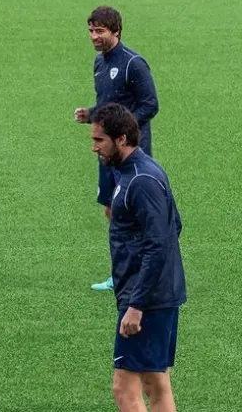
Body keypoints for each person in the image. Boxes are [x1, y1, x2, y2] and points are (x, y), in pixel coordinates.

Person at [89, 104, 185, 412]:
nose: (94, 148)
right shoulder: (133, 172)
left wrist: (137, 305)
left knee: (123, 388)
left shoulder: (141, 180)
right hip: (153, 293)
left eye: (99, 140)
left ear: (121, 139)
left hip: (147, 299)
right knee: (154, 382)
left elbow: (159, 244)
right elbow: (175, 225)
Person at [74, 6, 159, 291]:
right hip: (107, 151)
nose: (94, 36)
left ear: (116, 32)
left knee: (132, 210)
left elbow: (150, 104)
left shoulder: (133, 63)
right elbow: (110, 103)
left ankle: (145, 269)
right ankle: (122, 272)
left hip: (129, 150)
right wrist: (91, 114)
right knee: (112, 209)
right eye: (91, 31)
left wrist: (123, 129)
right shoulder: (100, 64)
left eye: (100, 31)